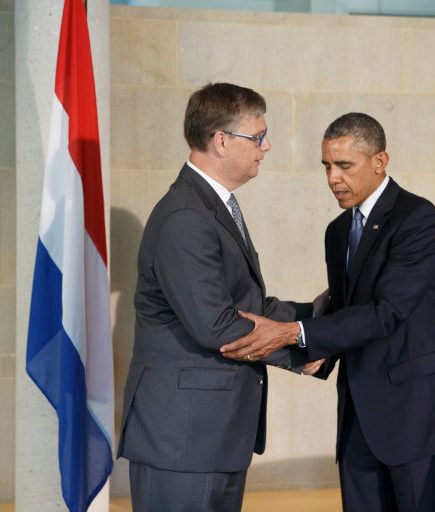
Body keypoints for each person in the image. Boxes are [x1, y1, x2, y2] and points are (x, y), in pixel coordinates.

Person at [221, 113, 435, 511]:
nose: (333, 177)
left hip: (418, 415)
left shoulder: (418, 219)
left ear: (380, 161)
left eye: (344, 166)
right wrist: (311, 355)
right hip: (358, 418)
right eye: (326, 166)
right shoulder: (337, 232)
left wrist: (292, 333)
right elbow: (345, 306)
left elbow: (386, 312)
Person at [117, 82, 320, 512]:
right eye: (258, 136)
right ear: (221, 141)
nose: (266, 146)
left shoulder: (213, 205)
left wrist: (318, 317)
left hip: (212, 436)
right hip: (184, 440)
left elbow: (249, 304)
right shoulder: (186, 217)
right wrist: (300, 343)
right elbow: (217, 324)